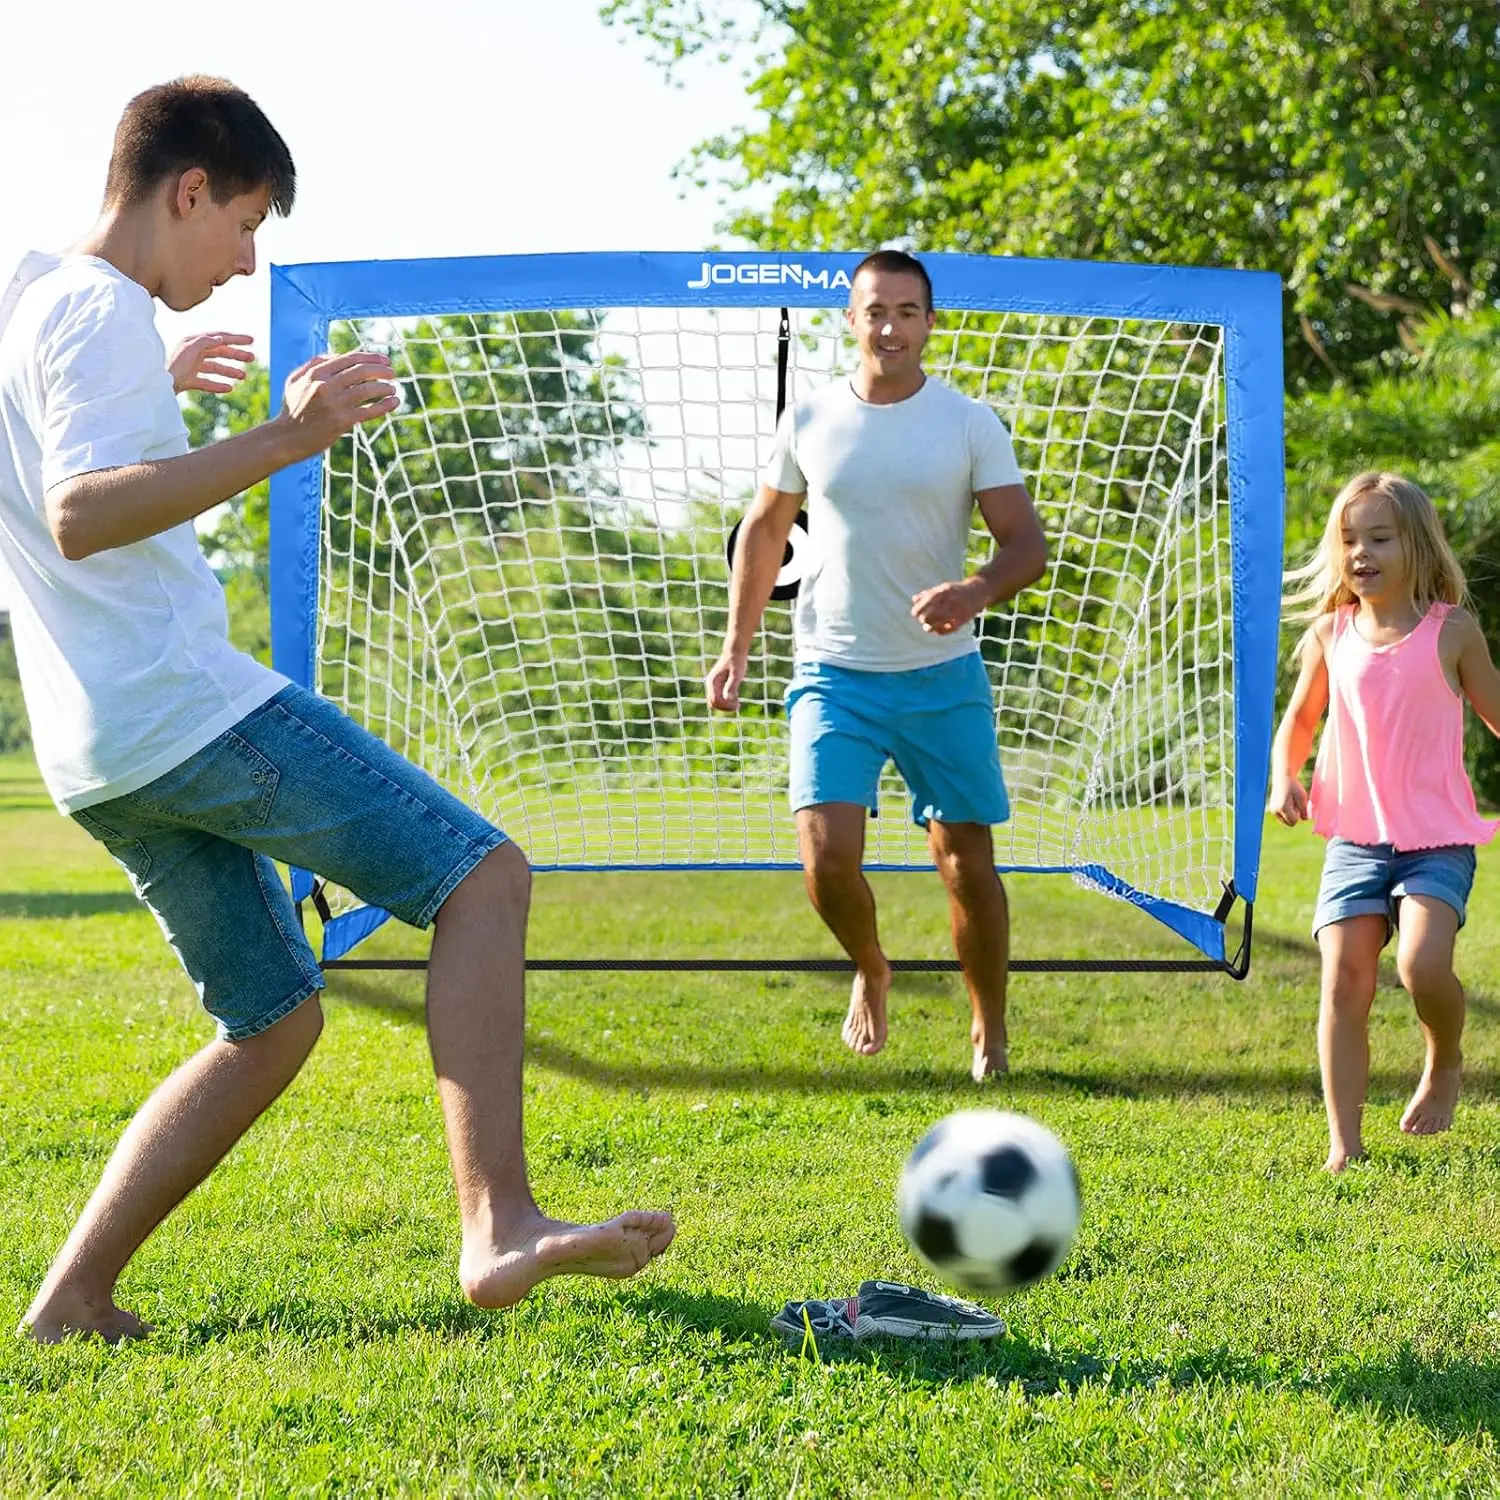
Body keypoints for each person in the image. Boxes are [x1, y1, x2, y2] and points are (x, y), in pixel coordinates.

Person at [4, 76, 674, 1344]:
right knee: (484, 881)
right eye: (244, 224)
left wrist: (163, 382)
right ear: (187, 187)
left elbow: (56, 465)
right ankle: (501, 1225)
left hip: (96, 751)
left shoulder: (36, 300)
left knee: (271, 1019)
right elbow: (81, 515)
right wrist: (287, 435)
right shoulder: (92, 310)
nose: (247, 261)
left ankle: (73, 1298)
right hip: (186, 713)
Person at [707, 249, 1047, 1081]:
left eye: (906, 311)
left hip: (942, 676)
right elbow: (762, 533)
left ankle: (988, 1029)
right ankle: (871, 964)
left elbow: (1026, 547)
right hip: (833, 673)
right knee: (825, 861)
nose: (889, 326)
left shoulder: (970, 423)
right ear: (851, 321)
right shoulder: (810, 420)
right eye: (875, 311)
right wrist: (737, 644)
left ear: (929, 323)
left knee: (966, 863)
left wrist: (972, 591)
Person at [1268, 471, 1500, 1172]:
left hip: (1438, 840)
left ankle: (1445, 1057)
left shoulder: (1452, 632)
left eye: (1378, 537)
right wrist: (1287, 777)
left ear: (1417, 545)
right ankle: (1346, 1144)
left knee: (1421, 964)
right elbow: (1299, 724)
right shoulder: (1329, 633)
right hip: (1355, 843)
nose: (1360, 552)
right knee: (1343, 981)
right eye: (1348, 539)